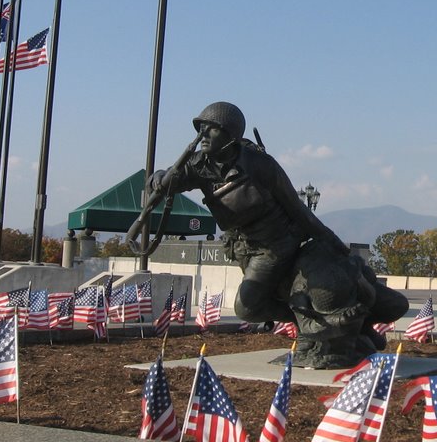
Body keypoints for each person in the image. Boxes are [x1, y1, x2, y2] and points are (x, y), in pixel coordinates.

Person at [148, 101, 354, 325]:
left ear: (230, 135)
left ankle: (310, 324)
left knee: (246, 307)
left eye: (211, 128)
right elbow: (169, 177)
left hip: (275, 245)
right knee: (256, 304)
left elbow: (298, 209)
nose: (203, 134)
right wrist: (158, 178)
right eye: (200, 128)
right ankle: (306, 322)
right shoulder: (198, 164)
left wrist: (333, 242)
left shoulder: (260, 165)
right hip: (244, 247)